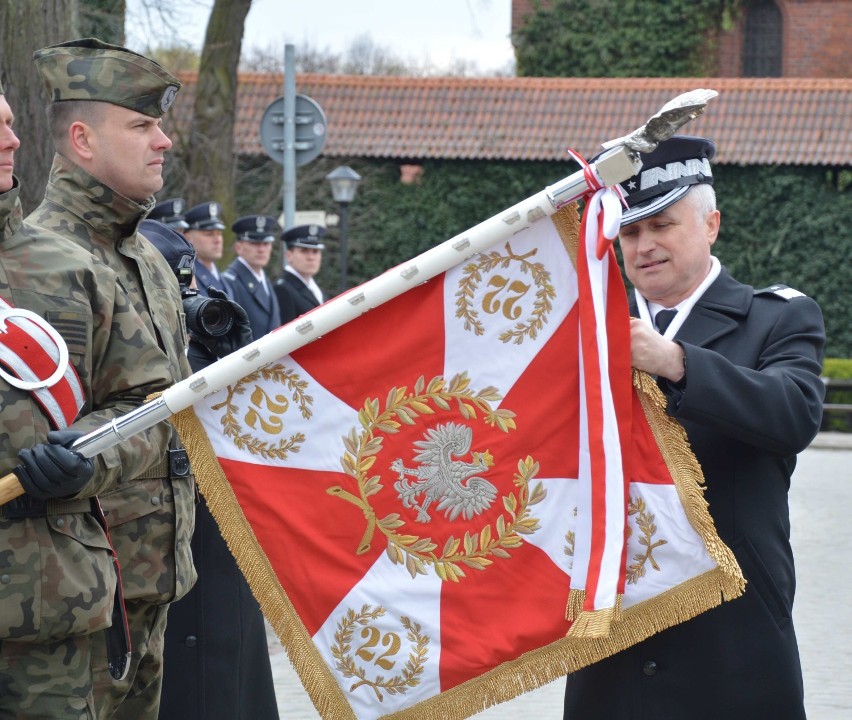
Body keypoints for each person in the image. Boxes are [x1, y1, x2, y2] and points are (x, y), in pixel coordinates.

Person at [563, 136, 826, 719]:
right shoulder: (582, 330)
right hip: (613, 638)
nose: (644, 245)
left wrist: (675, 362)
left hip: (731, 639)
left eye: (662, 224)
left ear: (711, 224)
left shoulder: (776, 316)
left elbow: (793, 415)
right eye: (628, 233)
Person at [29, 38, 197, 719]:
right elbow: (43, 442)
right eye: (141, 125)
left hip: (151, 581)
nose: (163, 142)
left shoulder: (148, 260)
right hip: (80, 596)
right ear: (82, 140)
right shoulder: (45, 265)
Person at [139, 219, 279, 719]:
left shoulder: (207, 346)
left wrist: (237, 367)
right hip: (149, 555)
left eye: (187, 287)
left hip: (220, 553)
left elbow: (265, 445)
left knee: (230, 685)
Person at [223, 214, 282, 338]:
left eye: (266, 244)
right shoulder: (229, 281)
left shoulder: (263, 280)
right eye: (254, 243)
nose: (261, 249)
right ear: (239, 247)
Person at [273, 223, 327, 324]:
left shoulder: (315, 289)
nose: (311, 257)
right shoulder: (283, 289)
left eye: (315, 251)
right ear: (289, 255)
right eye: (304, 251)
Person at [183, 200, 234, 298]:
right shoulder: (187, 276)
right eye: (209, 234)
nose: (217, 240)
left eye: (219, 233)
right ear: (187, 238)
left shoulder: (219, 275)